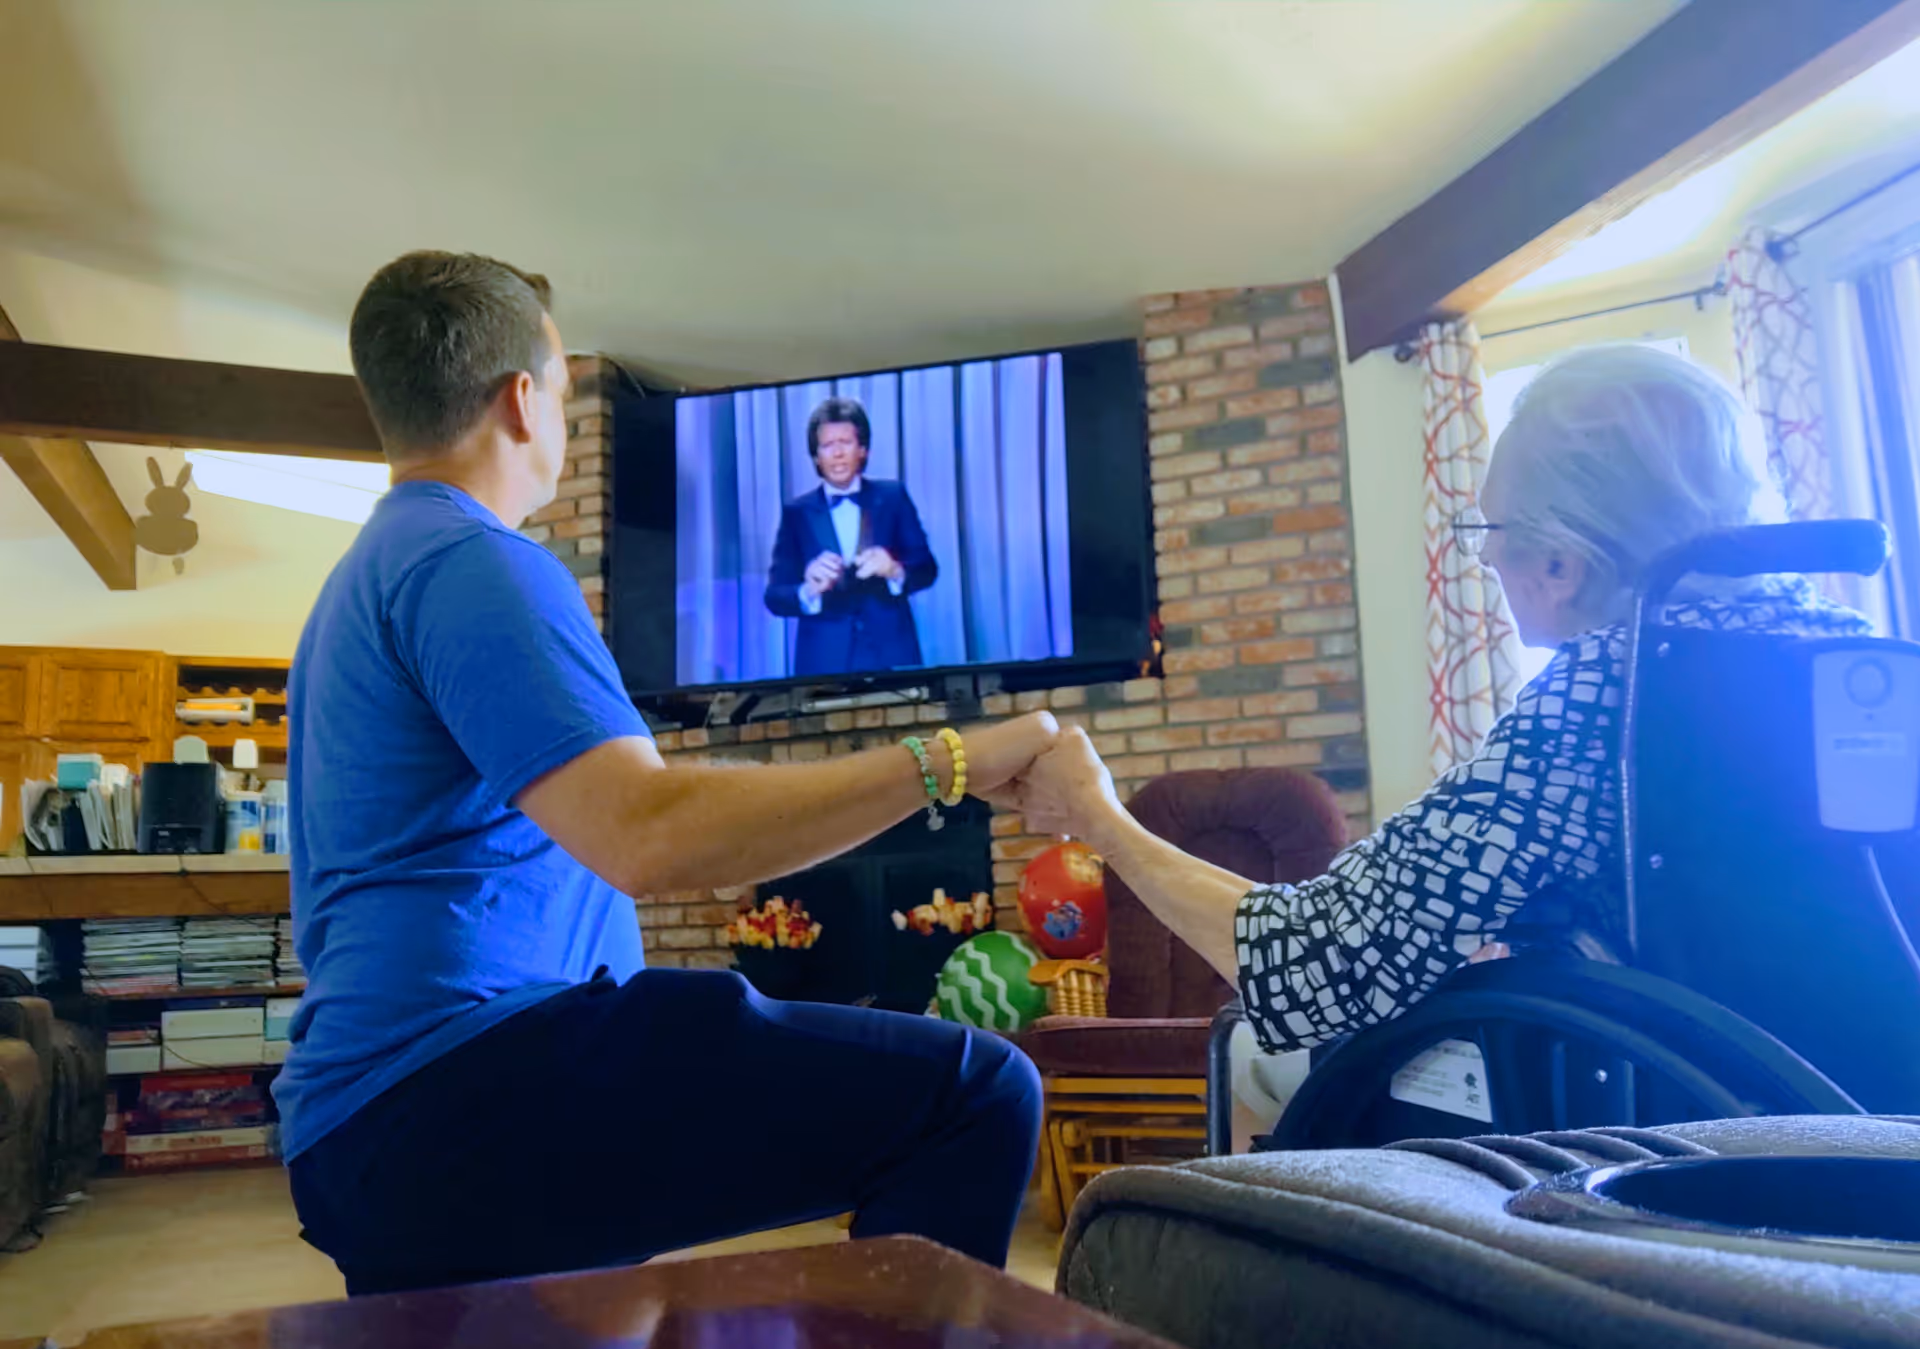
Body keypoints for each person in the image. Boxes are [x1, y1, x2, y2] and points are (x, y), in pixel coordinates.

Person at [278, 252, 1053, 1295]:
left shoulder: (358, 584)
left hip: (375, 1121)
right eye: (559, 387)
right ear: (522, 401)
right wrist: (953, 757)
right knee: (977, 1091)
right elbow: (647, 831)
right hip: (460, 1089)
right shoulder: (474, 562)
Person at [1003, 344, 1872, 1066]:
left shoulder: (1599, 705)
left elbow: (1310, 967)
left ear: (1561, 566)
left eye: (1491, 533)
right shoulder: (1860, 656)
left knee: (1254, 1058)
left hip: (1674, 1147)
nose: (1486, 561)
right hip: (1873, 1128)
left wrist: (1100, 818)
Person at [764, 396, 937, 676]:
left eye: (845, 443)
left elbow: (927, 569)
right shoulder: (796, 513)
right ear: (816, 456)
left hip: (892, 653)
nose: (837, 453)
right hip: (823, 662)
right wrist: (809, 589)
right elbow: (774, 597)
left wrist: (894, 570)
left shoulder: (893, 497)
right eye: (827, 445)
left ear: (863, 450)